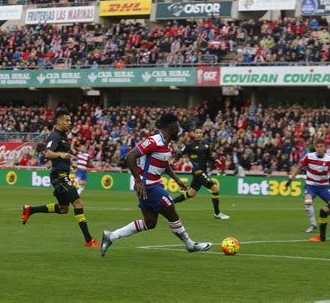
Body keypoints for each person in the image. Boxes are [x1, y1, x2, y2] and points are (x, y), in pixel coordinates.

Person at [100, 113, 212, 257]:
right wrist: (139, 181)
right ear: (172, 127)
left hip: (152, 185)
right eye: (178, 127)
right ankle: (190, 244)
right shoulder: (153, 141)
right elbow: (130, 156)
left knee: (150, 222)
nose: (180, 130)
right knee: (171, 210)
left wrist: (177, 180)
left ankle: (111, 236)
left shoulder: (167, 144)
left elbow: (164, 165)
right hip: (148, 186)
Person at [21, 110, 100, 248]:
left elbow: (62, 156)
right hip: (60, 177)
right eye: (67, 120)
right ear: (59, 122)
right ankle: (89, 240)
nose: (70, 123)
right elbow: (48, 153)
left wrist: (70, 162)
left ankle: (30, 210)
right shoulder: (55, 136)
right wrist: (61, 154)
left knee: (63, 209)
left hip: (63, 174)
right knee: (78, 203)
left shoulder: (63, 136)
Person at [286, 139, 330, 233]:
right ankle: (313, 225)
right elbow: (299, 168)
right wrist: (291, 179)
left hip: (324, 187)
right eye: (317, 147)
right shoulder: (309, 157)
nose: (319, 149)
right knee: (308, 202)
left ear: (324, 148)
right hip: (311, 185)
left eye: (321, 147)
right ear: (315, 148)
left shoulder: (329, 160)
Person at [173, 128, 230, 220]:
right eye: (197, 133)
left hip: (203, 171)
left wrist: (215, 160)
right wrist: (174, 161)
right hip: (198, 171)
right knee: (215, 188)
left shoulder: (207, 144)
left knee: (191, 193)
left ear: (202, 134)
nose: (199, 134)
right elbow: (180, 153)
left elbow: (209, 157)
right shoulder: (190, 145)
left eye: (200, 133)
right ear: (194, 134)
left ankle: (170, 203)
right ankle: (217, 213)